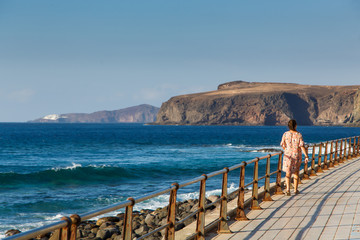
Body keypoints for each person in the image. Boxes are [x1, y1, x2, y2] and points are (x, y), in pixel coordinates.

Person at [280, 119, 309, 195]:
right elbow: (302, 146)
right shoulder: (299, 134)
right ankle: (295, 190)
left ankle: (288, 190)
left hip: (287, 156)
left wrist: (287, 150)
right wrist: (306, 156)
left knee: (288, 173)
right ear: (295, 125)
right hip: (296, 156)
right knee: (296, 172)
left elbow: (283, 145)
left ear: (288, 126)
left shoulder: (285, 134)